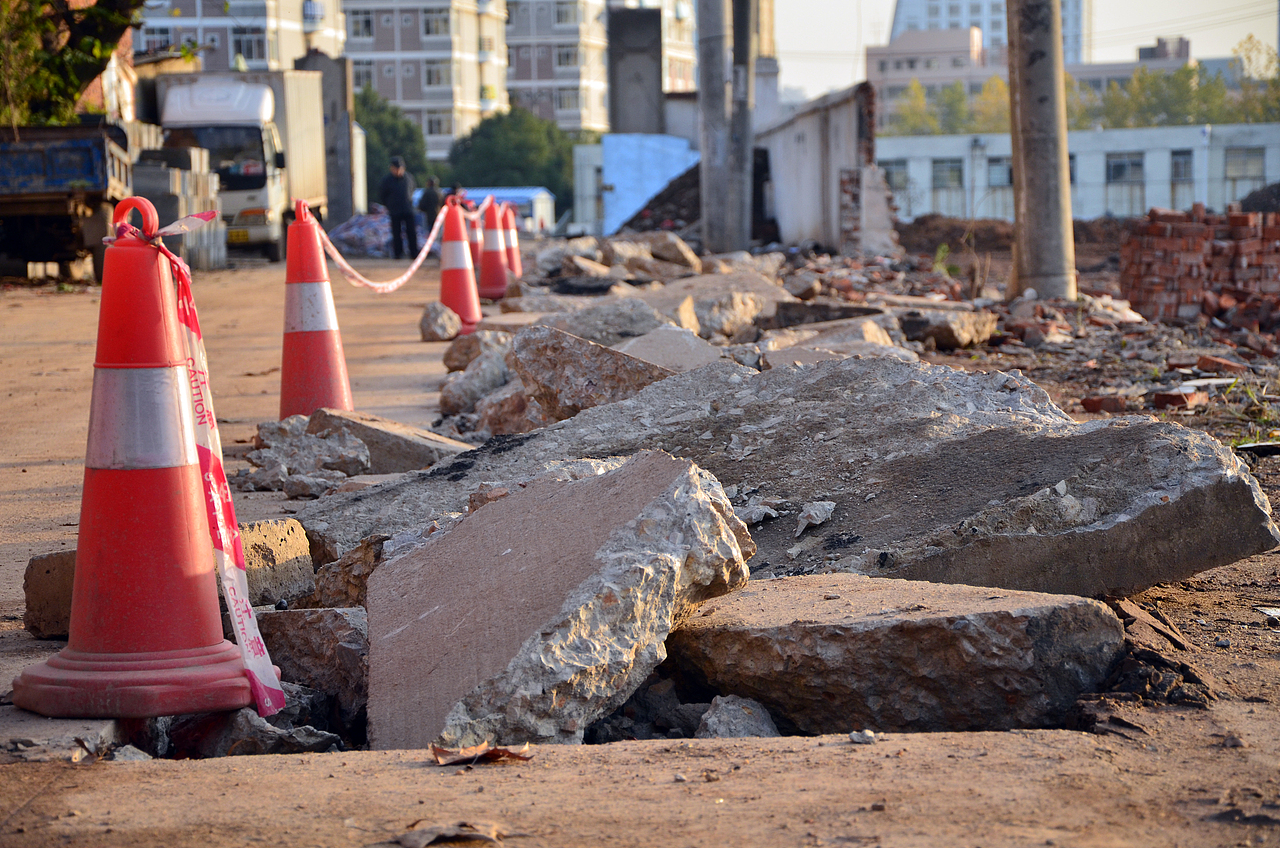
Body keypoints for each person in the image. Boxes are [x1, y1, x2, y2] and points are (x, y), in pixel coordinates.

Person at [379, 156, 418, 260]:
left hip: (408, 209)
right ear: (391, 169)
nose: (398, 171)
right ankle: (398, 253)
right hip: (395, 210)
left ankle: (414, 253)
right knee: (396, 233)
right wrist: (389, 205)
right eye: (396, 168)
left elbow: (412, 189)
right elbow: (383, 195)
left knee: (411, 232)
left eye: (400, 168)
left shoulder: (409, 178)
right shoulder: (387, 180)